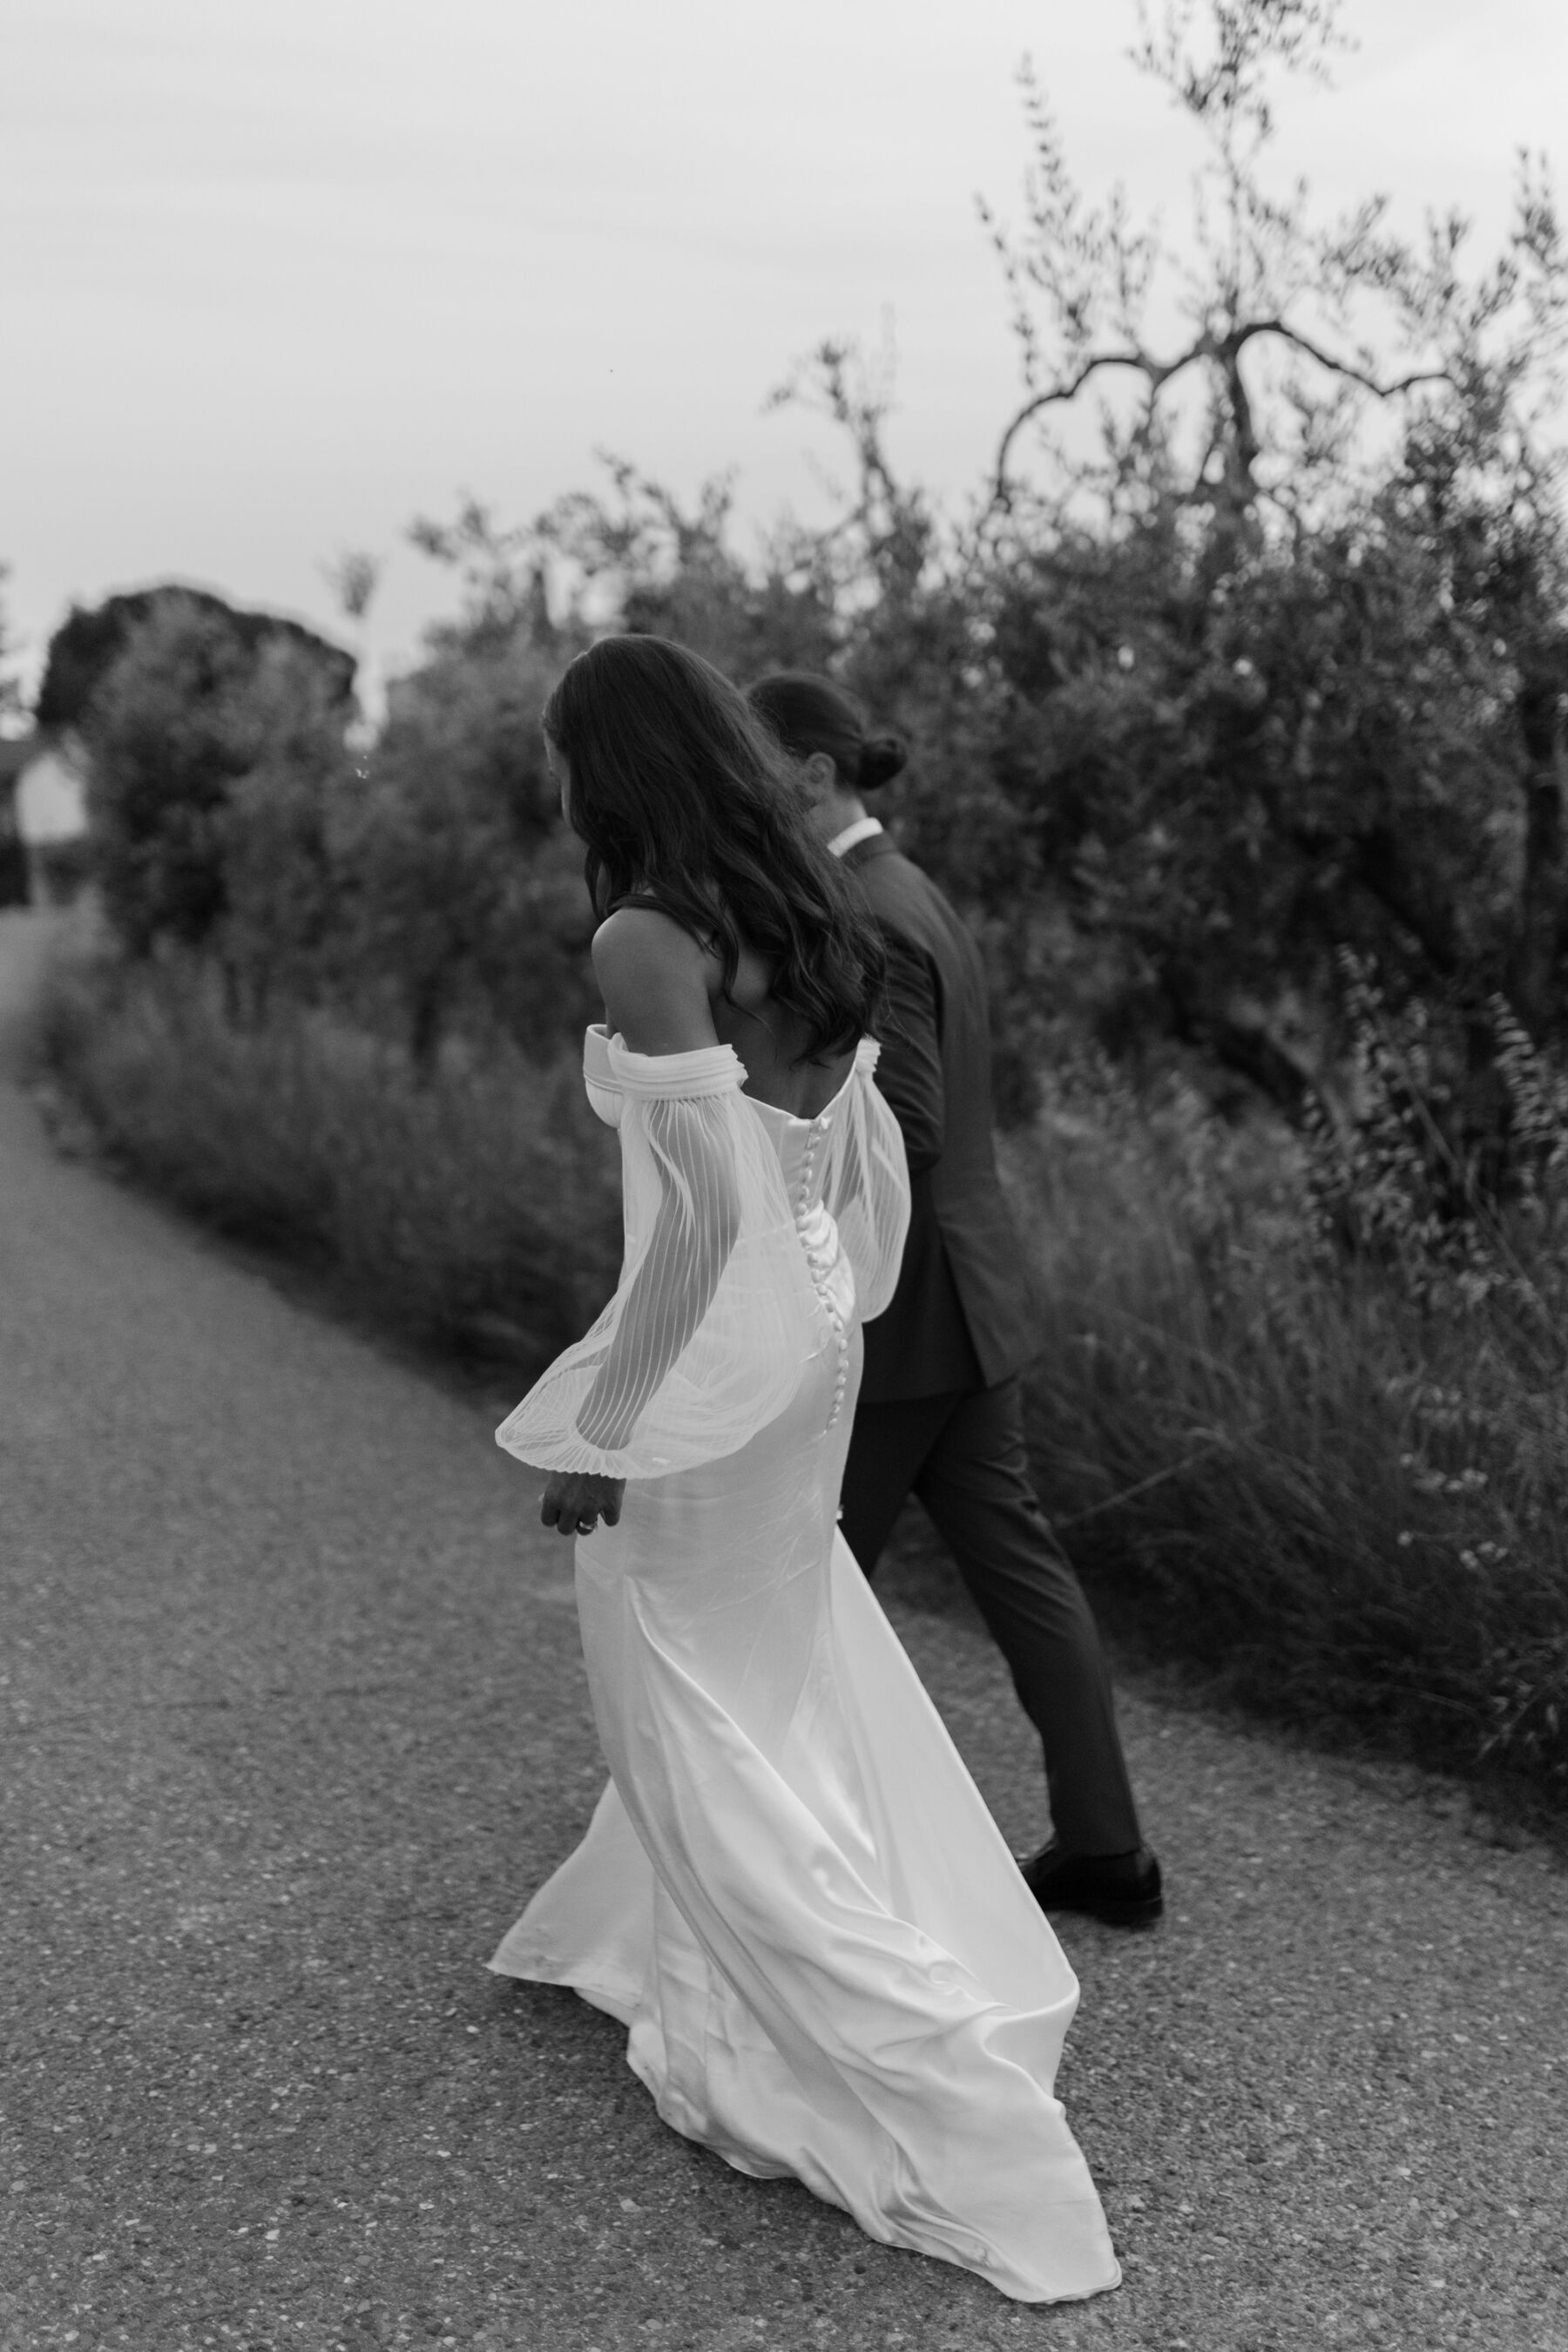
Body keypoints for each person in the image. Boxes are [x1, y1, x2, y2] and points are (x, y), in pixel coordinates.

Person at [489, 635, 1120, 2305]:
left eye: (562, 753)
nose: (552, 784)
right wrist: (816, 1309)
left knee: (668, 1681)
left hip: (716, 1356)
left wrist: (608, 1422)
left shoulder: (645, 937)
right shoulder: (803, 906)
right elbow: (839, 1152)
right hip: (818, 1333)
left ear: (602, 766)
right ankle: (680, 1939)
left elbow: (697, 1213)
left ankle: (868, 2035)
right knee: (762, 1664)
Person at [745, 672, 1161, 1930]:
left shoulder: (862, 909)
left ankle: (793, 1867)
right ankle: (1108, 1852)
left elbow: (906, 1120)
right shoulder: (909, 888)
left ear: (814, 775)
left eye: (761, 765)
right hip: (971, 1292)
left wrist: (777, 1176)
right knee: (1021, 1575)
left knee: (798, 1582)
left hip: (903, 1317)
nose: (750, 787)